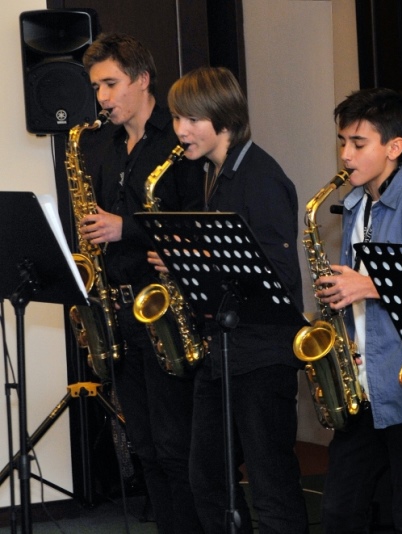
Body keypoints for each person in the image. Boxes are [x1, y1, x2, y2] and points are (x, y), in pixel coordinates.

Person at [166, 66, 308, 533]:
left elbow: (280, 277)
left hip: (263, 355)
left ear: (223, 120)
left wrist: (197, 260)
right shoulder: (215, 172)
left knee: (272, 488)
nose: (180, 130)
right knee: (206, 479)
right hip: (224, 351)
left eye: (191, 119)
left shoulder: (261, 178)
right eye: (176, 118)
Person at [314, 87, 402, 533]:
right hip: (362, 385)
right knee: (340, 509)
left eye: (358, 144)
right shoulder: (356, 204)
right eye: (342, 142)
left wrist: (371, 286)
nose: (346, 154)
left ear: (394, 148)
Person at [80, 32, 204, 533]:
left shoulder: (178, 142)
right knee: (146, 446)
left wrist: (124, 227)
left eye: (111, 84)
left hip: (169, 310)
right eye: (96, 87)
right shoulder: (103, 147)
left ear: (143, 80)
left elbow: (197, 222)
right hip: (120, 310)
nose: (102, 97)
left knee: (176, 447)